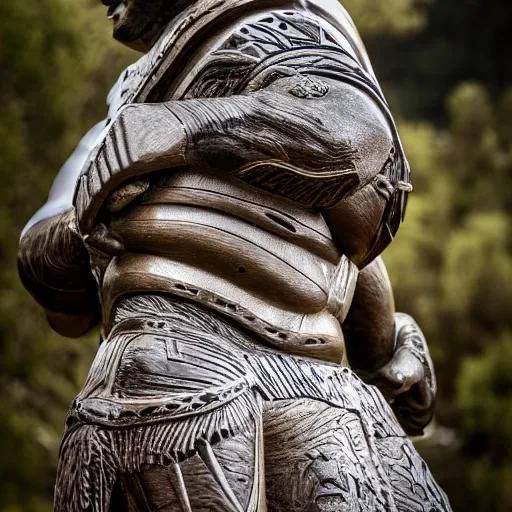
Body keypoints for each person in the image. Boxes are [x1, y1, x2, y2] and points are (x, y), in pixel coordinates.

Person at [18, 0, 451, 510]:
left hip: (321, 390)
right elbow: (50, 279)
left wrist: (383, 350)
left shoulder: (267, 26)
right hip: (172, 358)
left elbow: (350, 137)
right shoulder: (124, 112)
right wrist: (90, 219)